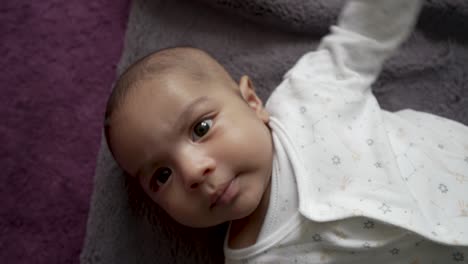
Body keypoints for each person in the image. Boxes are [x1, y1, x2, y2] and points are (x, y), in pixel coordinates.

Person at [103, 0, 468, 262]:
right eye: (162, 175)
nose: (194, 171)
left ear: (251, 102)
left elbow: (364, 36)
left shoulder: (309, 97)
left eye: (201, 128)